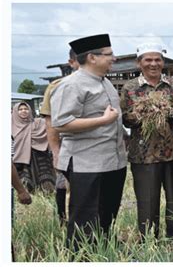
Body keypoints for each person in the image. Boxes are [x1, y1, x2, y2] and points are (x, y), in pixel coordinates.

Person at [50, 34, 127, 248]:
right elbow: (61, 123)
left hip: (112, 162)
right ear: (92, 57)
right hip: (87, 164)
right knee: (85, 219)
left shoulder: (106, 83)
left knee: (106, 214)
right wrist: (102, 120)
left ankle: (102, 253)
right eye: (109, 54)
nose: (114, 58)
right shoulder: (72, 85)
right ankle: (81, 256)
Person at [120, 43, 173, 239]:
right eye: (148, 60)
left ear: (163, 62)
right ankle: (149, 240)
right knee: (147, 201)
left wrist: (166, 112)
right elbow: (125, 119)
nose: (153, 64)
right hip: (144, 155)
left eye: (157, 60)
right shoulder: (130, 88)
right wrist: (143, 113)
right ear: (139, 63)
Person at [40, 49, 80, 225]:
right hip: (67, 145)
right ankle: (64, 221)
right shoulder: (57, 86)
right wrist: (56, 152)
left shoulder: (103, 84)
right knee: (64, 185)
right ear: (72, 63)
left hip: (96, 151)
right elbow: (50, 123)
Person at [11, 102, 56, 193]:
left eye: (26, 109)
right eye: (20, 109)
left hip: (41, 158)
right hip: (20, 161)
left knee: (46, 187)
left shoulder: (38, 123)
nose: (24, 111)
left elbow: (51, 125)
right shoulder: (11, 127)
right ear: (15, 112)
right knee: (25, 185)